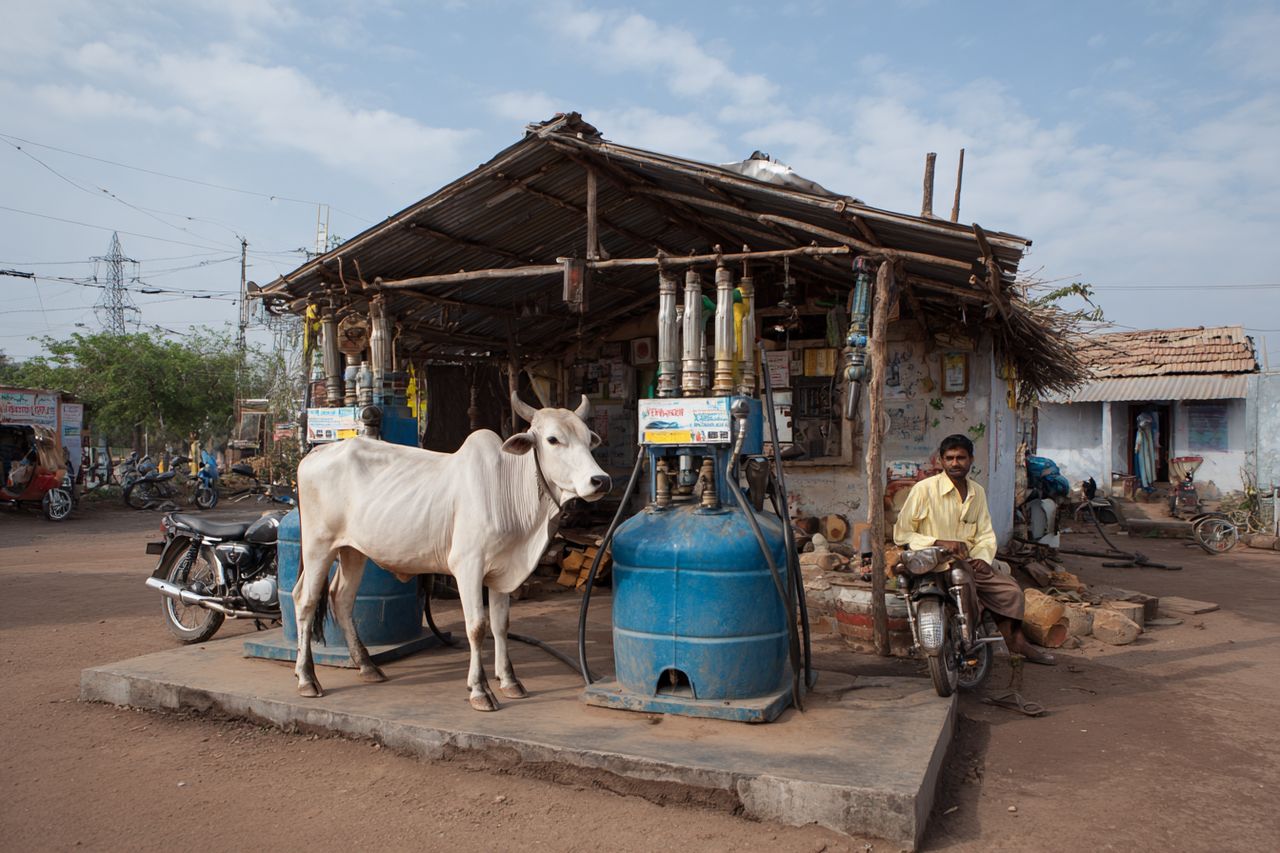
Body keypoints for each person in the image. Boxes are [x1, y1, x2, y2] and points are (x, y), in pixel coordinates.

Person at [893, 434, 1056, 665]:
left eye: (961, 457)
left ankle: (1015, 641)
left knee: (1011, 591)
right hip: (933, 564)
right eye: (949, 458)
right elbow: (902, 533)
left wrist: (982, 558)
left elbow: (985, 535)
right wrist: (938, 542)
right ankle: (965, 641)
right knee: (965, 582)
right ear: (941, 460)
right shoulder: (924, 490)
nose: (955, 463)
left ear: (971, 460)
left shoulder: (976, 492)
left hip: (969, 562)